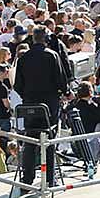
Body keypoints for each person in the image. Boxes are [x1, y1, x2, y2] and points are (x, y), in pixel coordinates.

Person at [14, 26, 66, 186]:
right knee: (49, 141)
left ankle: (27, 178)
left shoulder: (24, 58)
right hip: (49, 106)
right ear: (45, 39)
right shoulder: (52, 56)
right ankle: (50, 179)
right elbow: (61, 81)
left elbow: (17, 85)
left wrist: (27, 96)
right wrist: (64, 92)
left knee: (30, 141)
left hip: (30, 105)